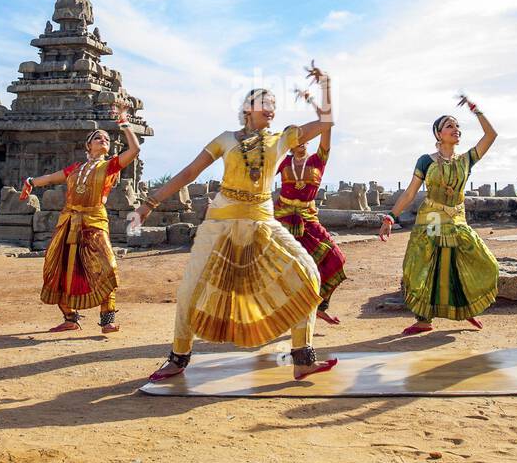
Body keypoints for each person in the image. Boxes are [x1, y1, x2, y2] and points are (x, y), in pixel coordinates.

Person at [132, 67, 338, 382]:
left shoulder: (282, 139)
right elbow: (190, 173)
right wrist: (149, 204)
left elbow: (326, 123)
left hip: (263, 224)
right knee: (191, 290)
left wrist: (325, 86)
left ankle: (302, 357)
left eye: (274, 104)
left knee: (309, 274)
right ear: (247, 108)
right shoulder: (225, 139)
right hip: (220, 225)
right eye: (264, 103)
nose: (271, 108)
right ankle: (178, 357)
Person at [379, 94, 499, 335]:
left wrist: (476, 110)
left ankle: (465, 309)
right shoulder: (426, 161)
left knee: (478, 263)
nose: (456, 129)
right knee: (427, 265)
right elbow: (410, 192)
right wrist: (391, 216)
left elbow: (491, 135)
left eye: (457, 125)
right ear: (438, 134)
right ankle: (424, 320)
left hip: (456, 219)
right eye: (449, 125)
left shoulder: (466, 160)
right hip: (432, 219)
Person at [20, 108, 140, 334]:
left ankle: (107, 319)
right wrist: (30, 182)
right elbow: (51, 178)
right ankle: (70, 318)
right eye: (98, 138)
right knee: (59, 268)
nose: (103, 140)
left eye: (106, 139)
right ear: (88, 145)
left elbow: (134, 150)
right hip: (68, 222)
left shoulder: (110, 166)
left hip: (94, 221)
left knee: (107, 266)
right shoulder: (76, 168)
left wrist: (124, 124)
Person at [273, 79, 347, 325]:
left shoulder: (318, 160)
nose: (302, 140)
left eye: (304, 136)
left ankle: (319, 304)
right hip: (281, 221)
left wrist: (319, 95)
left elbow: (328, 124)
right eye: (296, 137)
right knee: (283, 269)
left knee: (335, 259)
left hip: (308, 220)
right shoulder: (281, 162)